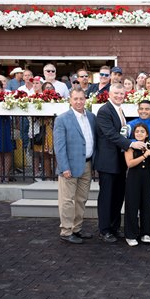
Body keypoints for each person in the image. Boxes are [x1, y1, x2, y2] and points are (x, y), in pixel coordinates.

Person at [95, 83, 147, 243]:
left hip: (118, 162)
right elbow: (110, 134)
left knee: (117, 197)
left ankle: (114, 227)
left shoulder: (119, 110)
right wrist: (131, 144)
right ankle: (105, 230)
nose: (119, 96)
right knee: (107, 197)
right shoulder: (104, 111)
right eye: (116, 93)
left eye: (121, 93)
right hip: (107, 162)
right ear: (109, 94)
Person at [53, 88, 96, 244]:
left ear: (85, 99)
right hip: (69, 167)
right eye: (75, 99)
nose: (79, 102)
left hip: (87, 165)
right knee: (67, 200)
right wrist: (64, 167)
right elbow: (59, 146)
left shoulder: (91, 117)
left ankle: (76, 229)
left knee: (81, 199)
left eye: (81, 98)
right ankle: (66, 231)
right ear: (70, 100)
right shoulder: (62, 119)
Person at [124, 123, 150, 246]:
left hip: (147, 177)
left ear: (147, 134)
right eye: (137, 131)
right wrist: (144, 155)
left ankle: (146, 233)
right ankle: (130, 234)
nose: (139, 134)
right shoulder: (130, 147)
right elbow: (130, 164)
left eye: (142, 131)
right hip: (134, 178)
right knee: (132, 205)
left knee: (147, 204)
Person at [32, 82, 57, 181]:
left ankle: (57, 176)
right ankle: (48, 176)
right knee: (45, 155)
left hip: (54, 129)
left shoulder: (58, 99)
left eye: (51, 88)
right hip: (43, 129)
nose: (49, 89)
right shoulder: (38, 100)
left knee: (56, 155)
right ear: (43, 89)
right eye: (47, 88)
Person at [0, 79, 13, 183]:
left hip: (4, 122)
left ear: (2, 88)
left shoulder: (7, 97)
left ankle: (6, 175)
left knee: (6, 148)